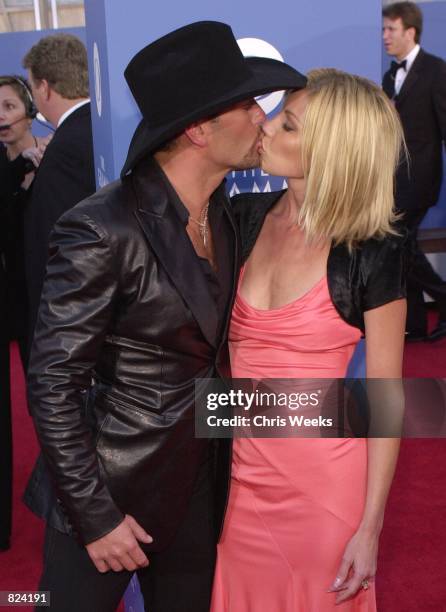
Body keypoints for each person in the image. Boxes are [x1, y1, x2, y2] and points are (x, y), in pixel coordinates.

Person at [23, 21, 306, 612]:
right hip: (106, 497)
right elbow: (53, 384)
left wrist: (366, 416)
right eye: (246, 103)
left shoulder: (229, 217)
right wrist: (96, 518)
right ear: (200, 128)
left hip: (199, 494)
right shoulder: (103, 227)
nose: (261, 115)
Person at [211, 69, 406, 611]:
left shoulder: (371, 250)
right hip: (234, 481)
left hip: (322, 493)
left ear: (330, 151)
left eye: (288, 124)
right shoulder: (240, 217)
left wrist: (371, 528)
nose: (267, 128)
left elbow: (386, 398)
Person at [22, 34, 96, 362]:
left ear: (45, 87)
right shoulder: (94, 130)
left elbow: (64, 247)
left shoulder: (65, 149)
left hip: (75, 329)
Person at [0, 75, 50, 551]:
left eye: (9, 105)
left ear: (30, 109)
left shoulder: (53, 153)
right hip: (6, 297)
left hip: (40, 297)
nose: (1, 116)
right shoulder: (5, 166)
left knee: (44, 401)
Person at [383, 1, 446, 342]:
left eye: (390, 29)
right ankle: (416, 322)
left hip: (421, 178)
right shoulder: (389, 76)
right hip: (394, 179)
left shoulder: (437, 70)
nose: (384, 36)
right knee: (399, 247)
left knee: (397, 244)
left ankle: (442, 296)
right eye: (383, 29)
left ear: (410, 31)